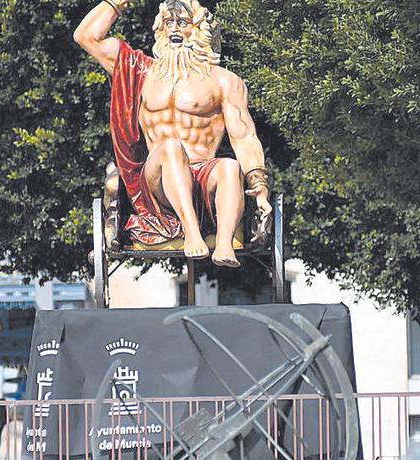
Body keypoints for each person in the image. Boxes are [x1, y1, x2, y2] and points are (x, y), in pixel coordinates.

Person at [74, 0, 272, 268]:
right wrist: (120, 2)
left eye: (183, 23)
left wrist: (259, 186)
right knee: (171, 149)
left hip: (204, 179)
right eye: (169, 23)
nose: (175, 30)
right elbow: (86, 36)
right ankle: (191, 233)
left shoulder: (224, 81)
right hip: (156, 184)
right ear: (160, 28)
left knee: (229, 165)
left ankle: (224, 244)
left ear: (200, 29)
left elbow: (244, 137)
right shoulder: (140, 71)